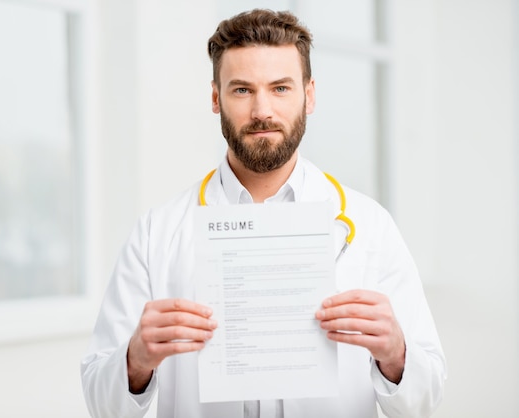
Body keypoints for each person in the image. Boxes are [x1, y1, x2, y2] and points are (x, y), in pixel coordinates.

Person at [81, 8, 446, 418]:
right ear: (216, 97)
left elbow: (424, 399)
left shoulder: (371, 227)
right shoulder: (158, 232)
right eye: (241, 90)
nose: (261, 111)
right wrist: (134, 361)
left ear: (309, 95)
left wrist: (396, 355)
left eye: (280, 88)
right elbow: (102, 405)